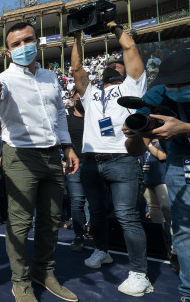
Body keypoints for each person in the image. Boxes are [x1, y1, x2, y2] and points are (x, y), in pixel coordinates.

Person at [0, 22, 79, 302]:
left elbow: (60, 113)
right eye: (16, 44)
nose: (23, 46)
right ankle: (20, 281)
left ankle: (44, 272)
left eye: (28, 40)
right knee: (20, 223)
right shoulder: (4, 80)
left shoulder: (50, 76)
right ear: (8, 51)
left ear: (38, 41)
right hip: (21, 156)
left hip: (52, 155)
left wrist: (67, 146)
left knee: (51, 220)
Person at [71, 22, 152, 297]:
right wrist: (77, 36)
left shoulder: (133, 85)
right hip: (92, 161)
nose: (112, 66)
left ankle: (139, 272)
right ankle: (102, 251)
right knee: (96, 213)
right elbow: (77, 69)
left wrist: (115, 27)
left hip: (122, 159)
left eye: (117, 65)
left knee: (127, 215)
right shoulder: (92, 92)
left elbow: (129, 48)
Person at [125, 48, 190, 301]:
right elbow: (135, 144)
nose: (177, 87)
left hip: (186, 150)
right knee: (187, 230)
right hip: (181, 161)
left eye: (186, 82)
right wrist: (136, 131)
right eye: (172, 83)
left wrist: (189, 129)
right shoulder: (157, 93)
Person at [65, 92, 88, 252]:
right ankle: (79, 236)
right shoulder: (66, 120)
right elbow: (62, 141)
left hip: (93, 163)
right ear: (72, 100)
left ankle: (93, 232)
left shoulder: (93, 117)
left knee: (95, 202)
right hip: (74, 165)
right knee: (77, 201)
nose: (81, 101)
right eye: (78, 99)